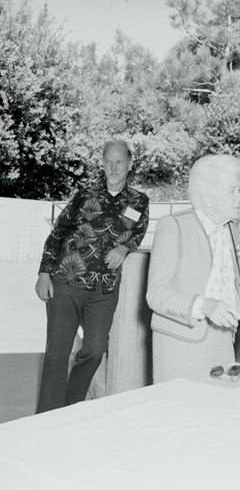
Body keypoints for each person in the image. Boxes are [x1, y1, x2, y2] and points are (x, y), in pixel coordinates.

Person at [35, 139, 149, 413]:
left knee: (95, 350)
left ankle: (70, 403)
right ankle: (46, 417)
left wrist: (125, 246)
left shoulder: (139, 201)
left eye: (119, 161)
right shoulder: (84, 194)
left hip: (104, 289)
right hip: (66, 282)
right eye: (108, 161)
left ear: (130, 163)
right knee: (57, 354)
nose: (113, 166)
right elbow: (57, 233)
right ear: (102, 163)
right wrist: (44, 272)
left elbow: (138, 232)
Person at [147, 154, 240, 382]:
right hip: (181, 345)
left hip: (222, 343)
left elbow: (225, 277)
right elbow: (156, 294)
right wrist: (205, 305)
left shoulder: (231, 229)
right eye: (231, 191)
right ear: (207, 198)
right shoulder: (173, 226)